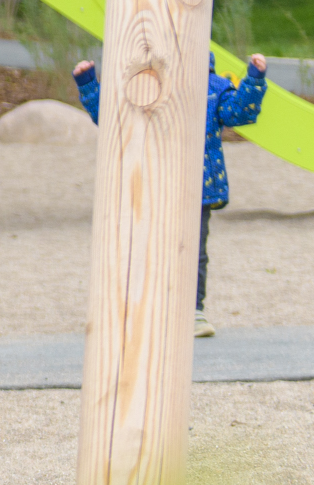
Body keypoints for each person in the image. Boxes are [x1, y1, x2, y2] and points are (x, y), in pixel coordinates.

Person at [73, 51, 268, 338]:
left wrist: (253, 79)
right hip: (153, 185)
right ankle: (143, 308)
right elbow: (112, 116)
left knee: (193, 252)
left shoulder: (211, 89)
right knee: (145, 248)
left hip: (196, 188)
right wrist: (89, 84)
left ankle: (193, 311)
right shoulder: (147, 86)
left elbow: (240, 112)